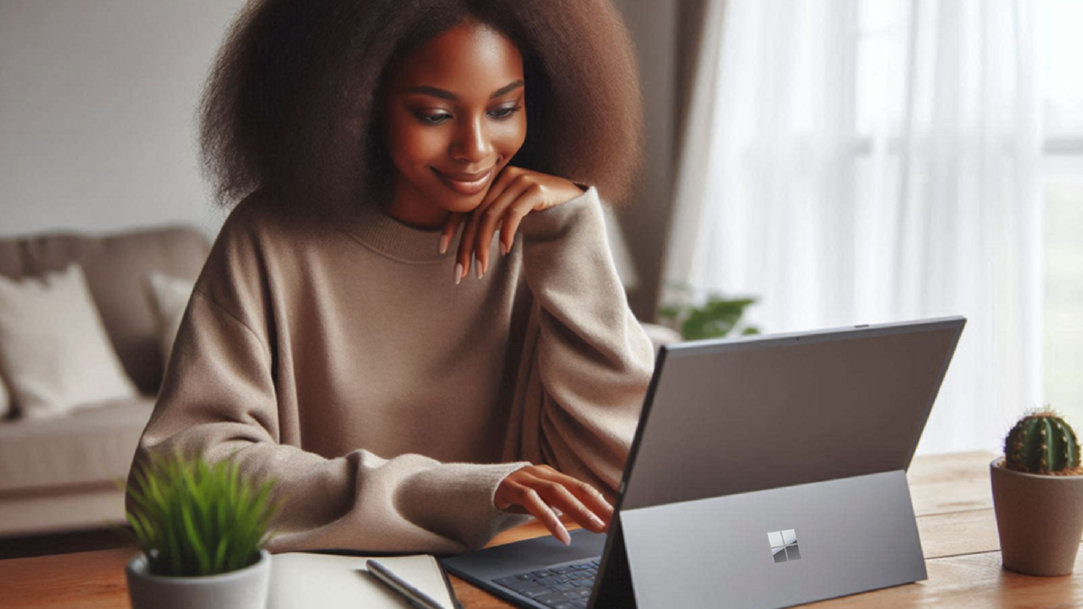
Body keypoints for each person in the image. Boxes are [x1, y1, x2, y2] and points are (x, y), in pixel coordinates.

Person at [129, 0, 654, 554]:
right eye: (434, 114)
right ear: (360, 103)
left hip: (503, 579)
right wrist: (456, 492)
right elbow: (175, 475)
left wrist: (570, 229)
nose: (475, 149)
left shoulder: (543, 237)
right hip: (328, 583)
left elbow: (623, 477)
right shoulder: (274, 237)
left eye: (503, 109)